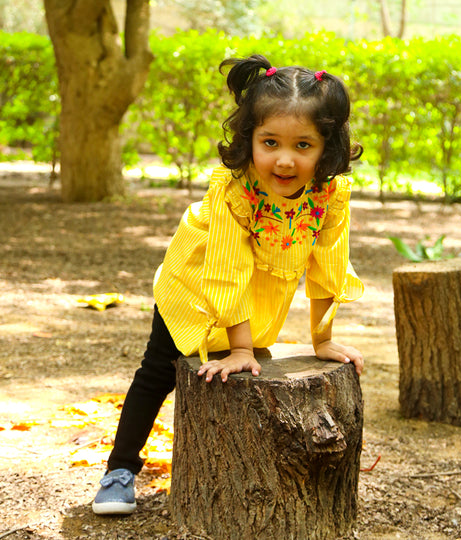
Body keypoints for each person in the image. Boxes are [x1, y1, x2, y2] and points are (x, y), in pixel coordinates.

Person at [92, 54, 365, 515]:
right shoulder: (234, 191)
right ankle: (119, 469)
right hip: (195, 284)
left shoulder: (329, 195)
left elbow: (328, 265)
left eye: (303, 145)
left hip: (255, 294)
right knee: (159, 370)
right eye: (270, 142)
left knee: (242, 375)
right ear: (249, 139)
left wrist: (323, 337)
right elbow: (226, 267)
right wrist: (241, 349)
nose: (284, 158)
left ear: (327, 148)